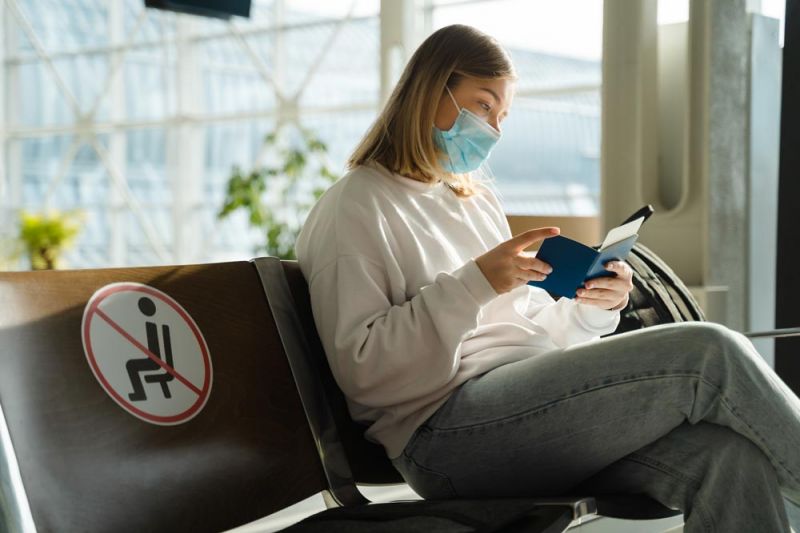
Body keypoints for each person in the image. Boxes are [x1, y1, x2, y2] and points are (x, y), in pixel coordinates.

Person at [295, 24, 800, 532]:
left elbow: (523, 324)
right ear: (431, 90)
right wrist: (475, 284)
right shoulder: (355, 206)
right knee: (708, 351)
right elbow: (364, 369)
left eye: (502, 115)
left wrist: (591, 307)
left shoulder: (472, 200)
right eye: (483, 105)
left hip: (523, 410)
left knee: (727, 457)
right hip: (444, 435)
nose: (492, 128)